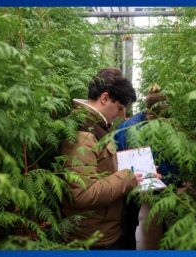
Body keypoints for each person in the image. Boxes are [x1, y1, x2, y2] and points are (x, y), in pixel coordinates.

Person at [60, 68, 154, 249]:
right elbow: (81, 193)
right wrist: (128, 177)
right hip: (93, 238)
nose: (121, 115)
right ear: (104, 98)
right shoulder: (83, 134)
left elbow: (101, 168)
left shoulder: (98, 126)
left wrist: (143, 172)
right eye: (119, 108)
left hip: (104, 229)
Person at [113, 84, 179, 250]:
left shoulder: (167, 125)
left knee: (163, 220)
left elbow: (174, 157)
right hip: (135, 182)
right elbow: (121, 156)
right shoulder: (129, 128)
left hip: (156, 181)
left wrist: (170, 177)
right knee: (129, 221)